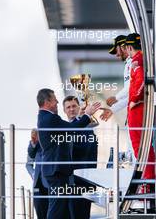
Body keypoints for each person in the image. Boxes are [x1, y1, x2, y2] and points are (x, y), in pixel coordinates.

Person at [36, 88, 101, 219]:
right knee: (57, 209)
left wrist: (82, 118)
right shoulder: (49, 118)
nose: (57, 102)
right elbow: (72, 129)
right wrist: (87, 115)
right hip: (56, 171)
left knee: (61, 209)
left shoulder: (46, 118)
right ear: (47, 102)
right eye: (54, 100)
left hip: (58, 171)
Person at [125, 33, 155, 184]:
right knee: (142, 147)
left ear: (129, 47)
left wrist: (135, 100)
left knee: (140, 146)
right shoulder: (142, 59)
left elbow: (142, 80)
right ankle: (147, 180)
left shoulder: (137, 61)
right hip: (139, 109)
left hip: (137, 111)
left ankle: (148, 181)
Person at [63, 95, 98, 219]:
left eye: (74, 106)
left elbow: (88, 153)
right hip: (68, 182)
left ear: (79, 108)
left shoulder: (87, 128)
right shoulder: (63, 129)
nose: (71, 109)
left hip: (83, 180)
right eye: (68, 107)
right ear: (64, 110)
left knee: (81, 215)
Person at [100, 35, 131, 120]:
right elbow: (130, 96)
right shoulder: (129, 63)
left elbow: (132, 88)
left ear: (123, 47)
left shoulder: (133, 62)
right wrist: (112, 109)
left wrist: (116, 97)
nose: (117, 55)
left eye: (116, 50)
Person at [26, 129, 48, 219]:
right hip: (37, 185)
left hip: (50, 183)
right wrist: (33, 173)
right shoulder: (34, 145)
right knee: (40, 212)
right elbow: (28, 164)